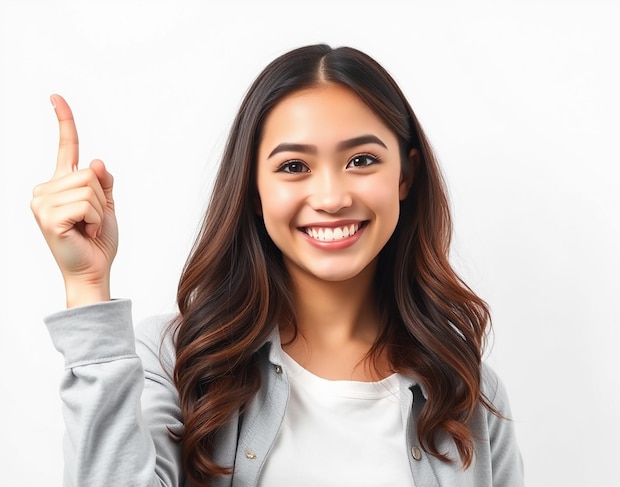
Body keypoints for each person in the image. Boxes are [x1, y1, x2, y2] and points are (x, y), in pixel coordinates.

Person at [31, 44, 524, 486]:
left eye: (362, 161)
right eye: (294, 167)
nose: (331, 197)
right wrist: (87, 284)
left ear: (406, 174)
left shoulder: (465, 390)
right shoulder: (176, 360)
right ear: (254, 187)